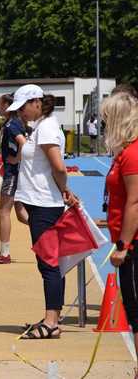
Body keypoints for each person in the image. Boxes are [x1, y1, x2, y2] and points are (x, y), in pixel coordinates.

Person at [7, 84, 78, 339]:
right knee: (48, 263)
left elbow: (58, 165)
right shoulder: (40, 125)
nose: (21, 113)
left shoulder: (46, 126)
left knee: (49, 264)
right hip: (39, 202)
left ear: (36, 102)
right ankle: (52, 317)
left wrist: (65, 190)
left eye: (23, 107)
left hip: (46, 204)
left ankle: (52, 322)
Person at [104, 93, 138, 377]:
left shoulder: (132, 154)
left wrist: (123, 245)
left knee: (137, 312)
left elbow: (135, 202)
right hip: (127, 238)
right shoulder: (125, 153)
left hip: (134, 245)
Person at [0, 94, 29, 264]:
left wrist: (15, 160)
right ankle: (49, 235)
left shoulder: (11, 124)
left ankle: (4, 254)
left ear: (8, 105)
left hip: (13, 173)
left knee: (3, 211)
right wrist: (1, 157)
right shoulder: (13, 123)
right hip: (14, 171)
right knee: (21, 214)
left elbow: (23, 143)